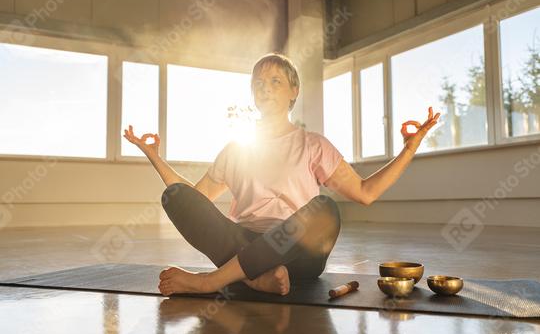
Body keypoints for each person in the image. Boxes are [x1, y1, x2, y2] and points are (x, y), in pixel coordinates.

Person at [123, 53, 440, 297]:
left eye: (275, 81)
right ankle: (259, 278)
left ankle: (211, 282)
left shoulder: (312, 144)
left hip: (297, 256)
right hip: (241, 245)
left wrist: (409, 150)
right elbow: (195, 200)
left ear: (293, 91)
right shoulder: (236, 149)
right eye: (259, 83)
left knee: (325, 209)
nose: (265, 88)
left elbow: (365, 192)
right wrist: (154, 157)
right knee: (174, 195)